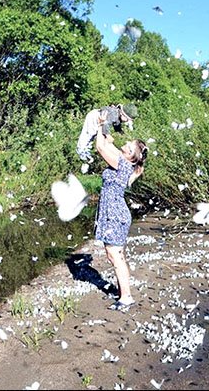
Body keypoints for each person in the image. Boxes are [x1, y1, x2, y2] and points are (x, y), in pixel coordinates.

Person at [94, 111, 147, 312]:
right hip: (115, 213)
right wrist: (108, 128)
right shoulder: (124, 162)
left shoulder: (123, 164)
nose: (125, 145)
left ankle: (126, 297)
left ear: (132, 156)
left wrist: (99, 126)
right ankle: (123, 292)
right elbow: (107, 145)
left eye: (129, 146)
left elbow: (100, 147)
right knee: (116, 255)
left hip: (114, 214)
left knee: (115, 256)